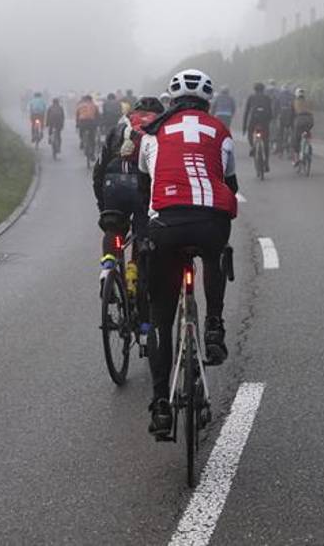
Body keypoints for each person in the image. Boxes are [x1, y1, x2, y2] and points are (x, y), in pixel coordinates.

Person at [138, 69, 237, 438]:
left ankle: (161, 407)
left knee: (161, 318)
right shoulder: (221, 131)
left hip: (166, 225)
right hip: (210, 221)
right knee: (214, 252)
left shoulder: (153, 134)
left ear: (171, 100)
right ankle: (214, 326)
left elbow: (145, 187)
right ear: (208, 101)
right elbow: (229, 179)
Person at [92, 96, 164, 302]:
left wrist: (103, 206)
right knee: (142, 233)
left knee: (113, 228)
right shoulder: (160, 131)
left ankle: (107, 269)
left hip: (112, 183)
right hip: (142, 187)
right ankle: (133, 272)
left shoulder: (118, 129)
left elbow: (98, 169)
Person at [241, 82, 274, 172]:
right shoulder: (267, 98)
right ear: (263, 89)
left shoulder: (251, 97)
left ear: (254, 89)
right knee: (266, 141)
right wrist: (269, 120)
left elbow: (246, 112)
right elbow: (271, 111)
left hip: (254, 119)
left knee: (250, 133)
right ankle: (266, 163)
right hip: (264, 120)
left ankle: (252, 146)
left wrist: (244, 127)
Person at [291, 88, 314, 164]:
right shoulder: (309, 101)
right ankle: (308, 142)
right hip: (310, 120)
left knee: (296, 138)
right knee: (307, 132)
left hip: (300, 121)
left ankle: (296, 158)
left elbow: (291, 114)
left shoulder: (294, 102)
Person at [275, 85, 296, 154]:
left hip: (282, 115)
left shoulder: (279, 95)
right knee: (292, 131)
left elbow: (276, 106)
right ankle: (291, 148)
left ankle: (279, 149)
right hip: (290, 116)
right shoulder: (292, 96)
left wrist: (276, 114)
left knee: (280, 133)